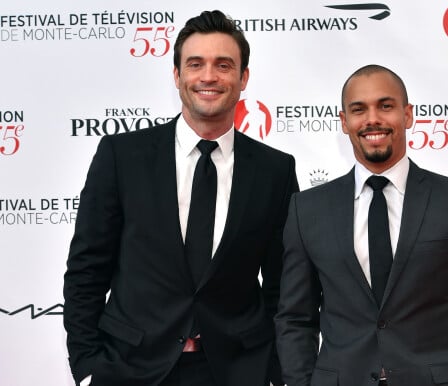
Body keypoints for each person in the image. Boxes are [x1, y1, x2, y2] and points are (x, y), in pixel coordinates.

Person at [63, 10, 298, 386]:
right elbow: (87, 269)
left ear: (243, 78)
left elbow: (283, 286)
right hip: (130, 367)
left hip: (236, 370)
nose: (209, 76)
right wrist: (88, 365)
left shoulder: (275, 170)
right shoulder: (122, 156)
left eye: (224, 65)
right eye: (195, 64)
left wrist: (274, 370)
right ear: (177, 75)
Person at [275, 64, 448, 386]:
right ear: (344, 122)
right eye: (359, 109)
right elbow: (295, 319)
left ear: (408, 115)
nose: (373, 119)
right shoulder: (307, 209)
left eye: (385, 106)